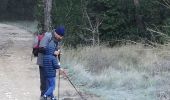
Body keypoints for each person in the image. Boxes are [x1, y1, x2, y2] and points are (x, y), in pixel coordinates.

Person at [35, 26, 65, 99]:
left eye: (62, 36)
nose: (61, 38)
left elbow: (55, 49)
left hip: (50, 62)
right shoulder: (48, 36)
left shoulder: (57, 39)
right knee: (44, 80)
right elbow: (41, 48)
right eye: (60, 36)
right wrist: (53, 52)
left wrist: (58, 52)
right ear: (56, 33)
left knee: (50, 80)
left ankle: (49, 96)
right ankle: (43, 96)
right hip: (42, 61)